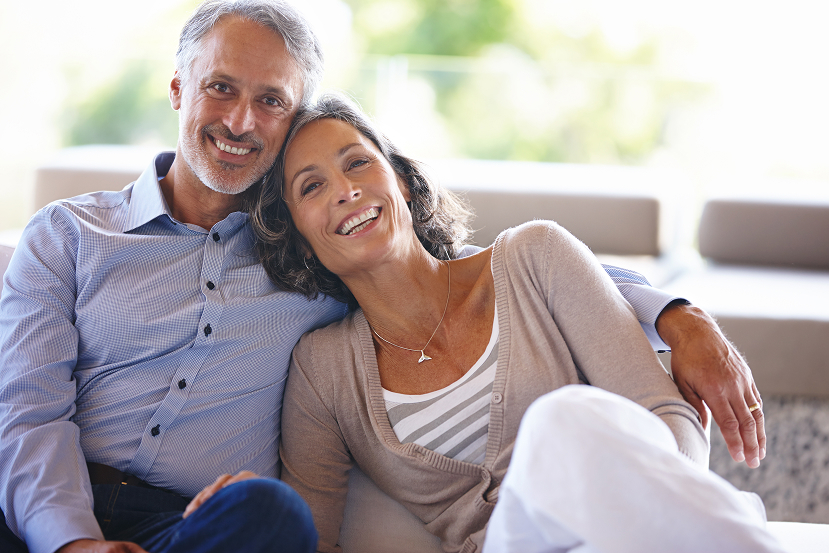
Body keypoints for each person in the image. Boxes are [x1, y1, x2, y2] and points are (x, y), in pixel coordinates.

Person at [0, 1, 763, 552]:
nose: (239, 122)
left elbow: (533, 267)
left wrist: (675, 314)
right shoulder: (71, 237)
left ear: (398, 176)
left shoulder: (312, 258)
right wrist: (71, 541)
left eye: (271, 102)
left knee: (271, 511)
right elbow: (26, 413)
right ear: (176, 89)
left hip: (195, 526)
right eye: (221, 88)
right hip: (49, 504)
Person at [249, 94, 782, 552]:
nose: (345, 190)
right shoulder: (321, 370)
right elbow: (308, 538)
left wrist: (638, 496)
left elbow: (667, 419)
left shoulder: (535, 257)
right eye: (311, 187)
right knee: (563, 419)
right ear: (298, 237)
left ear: (403, 181)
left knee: (565, 420)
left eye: (358, 163)